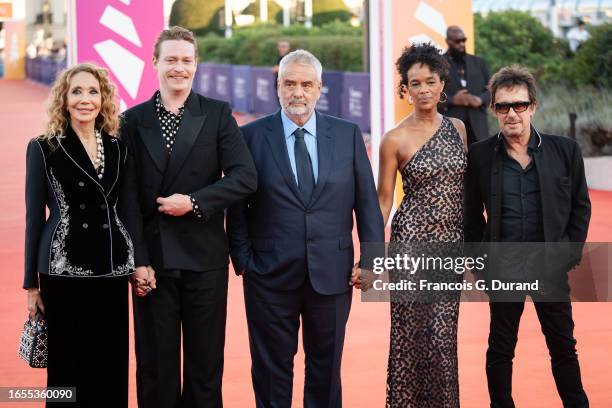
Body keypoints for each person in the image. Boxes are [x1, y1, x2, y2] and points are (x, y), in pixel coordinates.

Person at [227, 49, 384, 408]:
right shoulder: (250, 137)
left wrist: (373, 261)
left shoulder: (347, 135)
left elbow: (367, 202)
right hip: (268, 276)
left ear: (319, 89)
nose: (298, 92)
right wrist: (245, 261)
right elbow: (236, 205)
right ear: (277, 87)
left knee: (326, 371)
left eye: (306, 84)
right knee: (270, 372)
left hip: (332, 274)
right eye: (290, 84)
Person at [121, 26, 257, 408]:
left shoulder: (216, 114)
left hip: (205, 259)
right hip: (153, 264)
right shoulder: (131, 121)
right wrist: (139, 260)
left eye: (186, 60)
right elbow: (126, 198)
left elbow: (245, 177)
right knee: (155, 367)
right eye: (171, 60)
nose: (178, 68)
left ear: (196, 64)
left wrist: (194, 202)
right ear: (155, 64)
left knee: (205, 367)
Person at [464, 65, 590, 408]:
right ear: (493, 110)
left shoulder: (565, 151)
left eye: (519, 105)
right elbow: (471, 216)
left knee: (563, 345)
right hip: (503, 268)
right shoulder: (479, 156)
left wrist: (569, 254)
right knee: (501, 348)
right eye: (503, 107)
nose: (512, 114)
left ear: (533, 106)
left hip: (550, 266)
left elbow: (581, 206)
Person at [24, 63, 138, 407]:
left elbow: (127, 208)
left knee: (110, 364)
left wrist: (139, 263)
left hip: (112, 270)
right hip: (63, 272)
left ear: (103, 99)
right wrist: (31, 285)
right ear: (64, 99)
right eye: (77, 91)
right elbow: (34, 218)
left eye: (93, 91)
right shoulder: (44, 147)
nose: (85, 99)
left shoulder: (117, 148)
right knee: (67, 370)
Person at [377, 43, 467, 407]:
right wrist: (368, 257)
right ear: (406, 89)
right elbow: (383, 200)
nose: (424, 89)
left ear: (442, 83)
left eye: (431, 81)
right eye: (415, 83)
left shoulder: (458, 129)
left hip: (451, 248)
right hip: (411, 247)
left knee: (443, 339)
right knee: (413, 338)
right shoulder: (394, 138)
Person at [439, 25, 490, 144]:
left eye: (464, 40)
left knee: (480, 161)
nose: (462, 44)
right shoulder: (438, 64)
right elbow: (431, 94)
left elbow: (492, 89)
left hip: (479, 128)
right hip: (450, 130)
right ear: (448, 41)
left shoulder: (478, 62)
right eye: (457, 41)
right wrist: (452, 100)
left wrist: (481, 99)